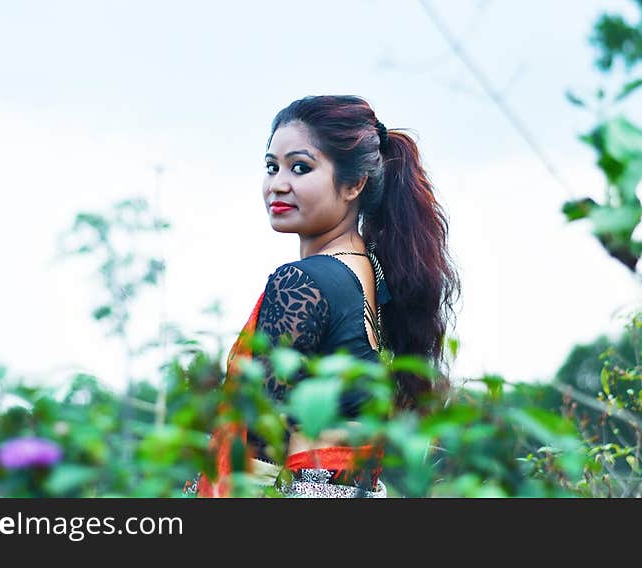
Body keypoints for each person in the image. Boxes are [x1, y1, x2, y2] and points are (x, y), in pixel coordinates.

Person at [193, 95, 461, 497]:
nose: (278, 184)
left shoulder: (302, 284)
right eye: (272, 167)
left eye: (300, 167)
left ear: (354, 184)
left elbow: (259, 453)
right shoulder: (372, 277)